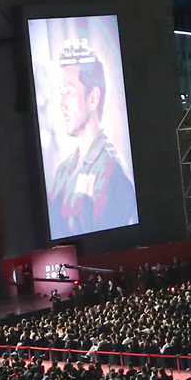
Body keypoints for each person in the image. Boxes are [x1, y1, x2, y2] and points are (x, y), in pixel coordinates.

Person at [44, 40, 136, 238]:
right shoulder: (63, 169)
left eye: (68, 92)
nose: (61, 104)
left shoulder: (113, 170)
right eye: (60, 93)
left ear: (93, 98)